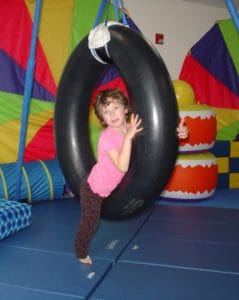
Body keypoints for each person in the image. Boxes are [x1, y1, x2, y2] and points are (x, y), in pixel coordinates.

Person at [74, 88, 188, 265]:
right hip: (93, 189)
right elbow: (122, 165)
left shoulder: (131, 127)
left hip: (111, 189)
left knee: (94, 221)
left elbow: (157, 138)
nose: (112, 114)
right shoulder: (107, 138)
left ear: (125, 108)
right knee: (91, 223)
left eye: (115, 107)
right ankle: (80, 251)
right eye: (105, 111)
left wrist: (179, 133)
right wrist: (128, 138)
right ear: (102, 118)